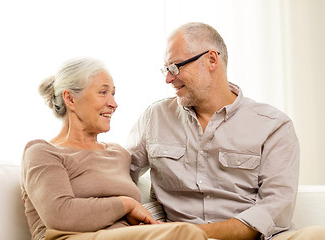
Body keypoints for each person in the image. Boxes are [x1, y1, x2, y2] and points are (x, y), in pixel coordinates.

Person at [127, 22, 325, 240]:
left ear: (211, 60)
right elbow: (120, 172)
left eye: (175, 67)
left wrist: (195, 233)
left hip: (255, 238)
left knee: (316, 235)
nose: (168, 78)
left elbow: (274, 209)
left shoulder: (273, 125)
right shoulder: (154, 117)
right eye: (166, 69)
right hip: (178, 238)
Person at [21, 57, 208, 240]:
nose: (113, 104)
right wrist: (126, 204)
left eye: (113, 94)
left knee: (186, 232)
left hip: (122, 235)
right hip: (69, 236)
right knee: (186, 234)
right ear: (70, 99)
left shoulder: (118, 154)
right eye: (103, 92)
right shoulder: (42, 152)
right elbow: (60, 215)